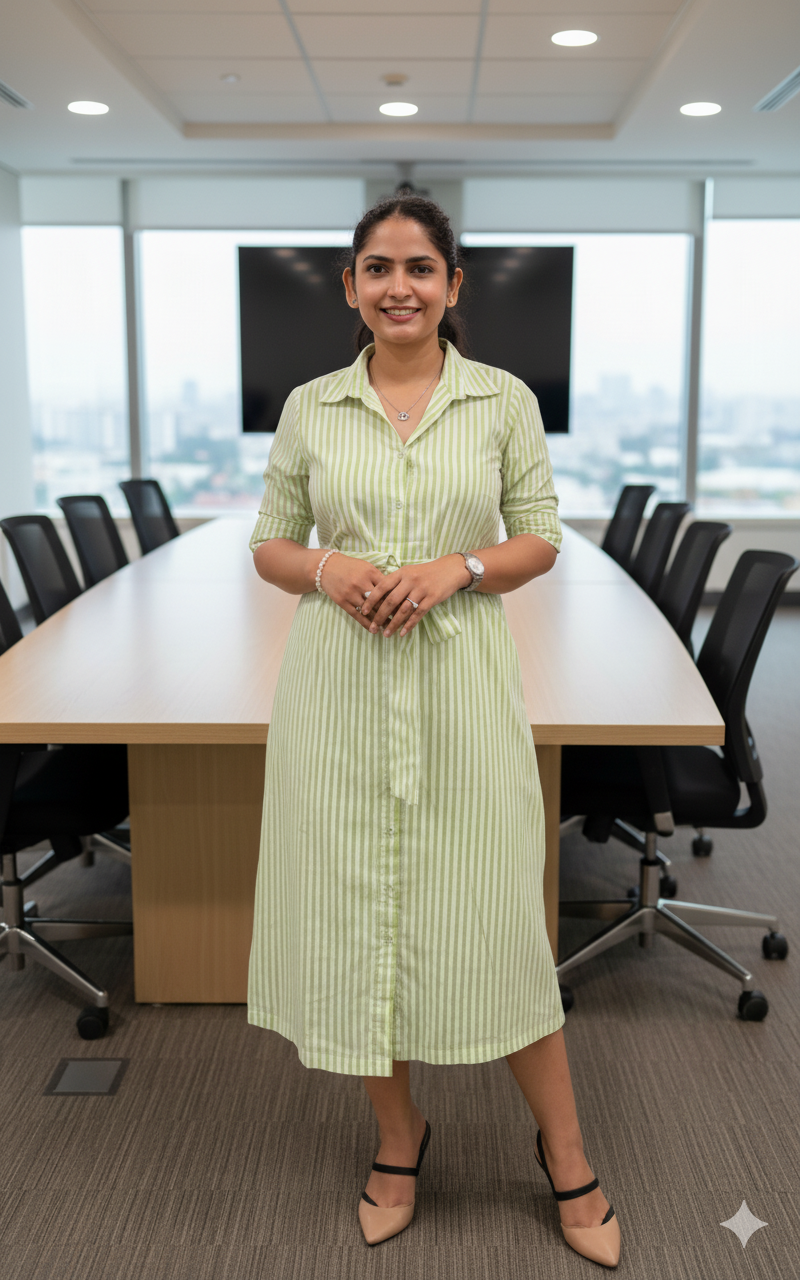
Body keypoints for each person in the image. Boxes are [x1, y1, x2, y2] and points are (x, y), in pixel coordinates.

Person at [248, 195, 620, 1267]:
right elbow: (272, 543)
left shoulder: (500, 400)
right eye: (376, 268)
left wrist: (453, 566)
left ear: (453, 285)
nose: (397, 285)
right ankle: (397, 1138)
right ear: (349, 287)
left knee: (496, 923)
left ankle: (566, 1150)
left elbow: (538, 537)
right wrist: (328, 566)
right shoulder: (313, 405)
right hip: (338, 691)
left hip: (459, 686)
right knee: (358, 918)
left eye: (418, 266)